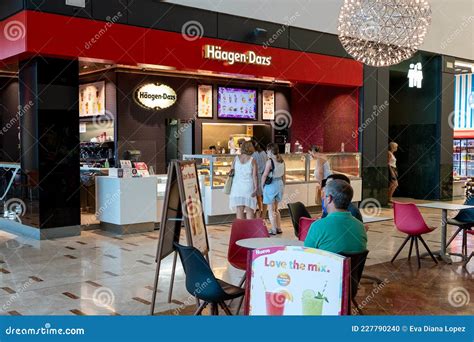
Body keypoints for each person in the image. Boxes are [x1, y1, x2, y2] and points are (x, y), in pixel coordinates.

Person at [304, 179, 367, 253]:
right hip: (354, 265)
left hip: (327, 264)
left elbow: (307, 255)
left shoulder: (317, 226)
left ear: (329, 199)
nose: (323, 199)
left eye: (324, 196)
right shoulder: (360, 227)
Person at [229, 140, 258, 219]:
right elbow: (254, 176)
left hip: (237, 188)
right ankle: (249, 230)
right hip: (248, 187)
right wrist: (256, 188)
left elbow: (231, 172)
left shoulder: (236, 158)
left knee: (239, 209)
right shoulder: (253, 160)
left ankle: (241, 230)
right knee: (249, 209)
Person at [261, 143, 286, 235]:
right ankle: (279, 228)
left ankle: (273, 229)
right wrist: (283, 186)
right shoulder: (282, 160)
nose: (266, 152)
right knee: (276, 209)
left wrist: (262, 186)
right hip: (279, 184)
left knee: (271, 209)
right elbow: (284, 176)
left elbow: (264, 175)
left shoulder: (270, 162)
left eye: (267, 150)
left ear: (271, 151)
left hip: (271, 185)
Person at [251, 138, 268, 219]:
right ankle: (263, 214)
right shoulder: (264, 153)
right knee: (264, 196)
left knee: (258, 196)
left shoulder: (253, 155)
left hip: (257, 176)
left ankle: (258, 212)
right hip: (264, 175)